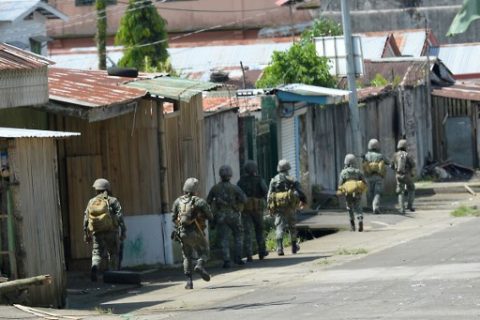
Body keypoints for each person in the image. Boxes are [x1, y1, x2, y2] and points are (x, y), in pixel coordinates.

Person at [172, 177, 213, 290]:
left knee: (187, 256)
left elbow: (173, 217)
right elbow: (210, 216)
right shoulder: (199, 201)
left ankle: (189, 282)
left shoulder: (177, 201)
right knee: (204, 252)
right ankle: (199, 265)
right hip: (196, 232)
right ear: (195, 189)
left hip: (182, 233)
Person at [83, 178, 126, 282]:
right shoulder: (113, 200)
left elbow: (86, 218)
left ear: (96, 189)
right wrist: (123, 230)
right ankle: (112, 275)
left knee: (97, 253)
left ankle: (95, 268)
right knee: (113, 253)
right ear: (107, 188)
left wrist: (86, 233)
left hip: (97, 233)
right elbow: (119, 216)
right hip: (112, 231)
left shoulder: (91, 202)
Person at [207, 165, 247, 268]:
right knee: (238, 235)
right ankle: (238, 258)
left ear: (220, 175)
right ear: (230, 175)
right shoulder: (235, 188)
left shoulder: (215, 188)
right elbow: (244, 199)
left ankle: (227, 261)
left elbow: (208, 201)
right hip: (233, 215)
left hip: (220, 216)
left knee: (224, 239)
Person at [267, 159, 306, 256]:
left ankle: (279, 248)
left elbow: (269, 195)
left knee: (279, 227)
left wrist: (270, 207)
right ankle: (294, 247)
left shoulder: (273, 180)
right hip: (290, 207)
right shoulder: (291, 179)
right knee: (292, 226)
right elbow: (300, 191)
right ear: (287, 168)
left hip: (279, 208)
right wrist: (303, 200)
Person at [237, 161, 269, 262]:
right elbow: (265, 191)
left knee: (247, 232)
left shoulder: (241, 181)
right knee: (259, 230)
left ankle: (249, 255)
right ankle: (262, 252)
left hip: (246, 209)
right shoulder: (259, 179)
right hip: (257, 209)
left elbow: (238, 193)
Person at [338, 154, 367, 232]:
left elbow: (340, 184)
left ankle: (352, 225)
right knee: (358, 206)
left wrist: (342, 190)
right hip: (357, 193)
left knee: (350, 208)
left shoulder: (343, 172)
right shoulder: (358, 172)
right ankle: (360, 218)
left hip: (348, 194)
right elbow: (364, 182)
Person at [362, 139, 390, 214]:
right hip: (378, 177)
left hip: (369, 177)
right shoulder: (381, 156)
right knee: (377, 193)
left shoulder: (366, 155)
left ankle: (372, 206)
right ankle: (375, 207)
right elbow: (388, 162)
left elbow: (363, 164)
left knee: (370, 193)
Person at [391, 139, 416, 214]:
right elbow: (413, 164)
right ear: (405, 146)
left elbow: (392, 166)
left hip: (398, 175)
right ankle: (410, 205)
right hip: (407, 175)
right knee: (411, 188)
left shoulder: (395, 155)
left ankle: (402, 209)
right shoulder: (407, 155)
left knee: (400, 192)